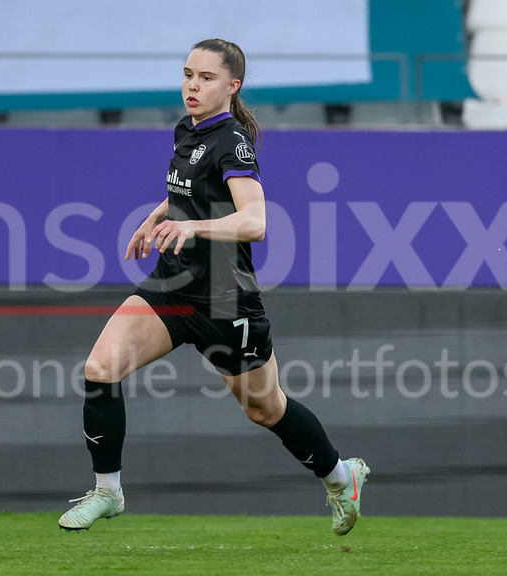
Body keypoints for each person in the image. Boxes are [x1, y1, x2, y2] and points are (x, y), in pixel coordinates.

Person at [58, 38, 368, 536]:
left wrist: (191, 227)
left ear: (232, 86)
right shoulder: (187, 129)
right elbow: (190, 186)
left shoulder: (233, 141)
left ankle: (340, 477)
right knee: (99, 368)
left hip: (226, 301)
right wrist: (157, 216)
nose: (193, 86)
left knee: (266, 408)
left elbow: (255, 221)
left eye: (206, 78)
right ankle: (107, 491)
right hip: (172, 286)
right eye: (188, 75)